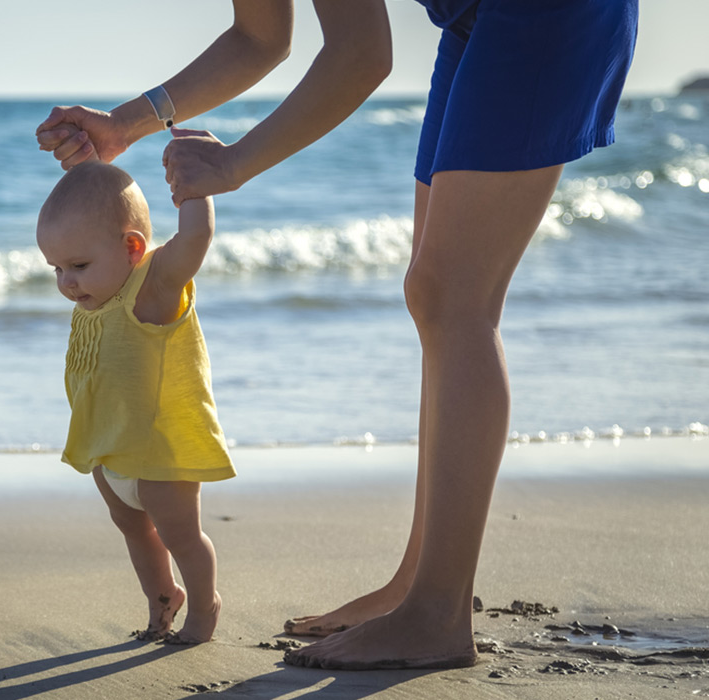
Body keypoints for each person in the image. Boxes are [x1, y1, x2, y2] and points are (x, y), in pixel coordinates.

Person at [36, 0, 637, 670]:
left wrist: (233, 165)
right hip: (473, 19)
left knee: (453, 298)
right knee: (435, 296)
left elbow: (361, 54)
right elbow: (260, 37)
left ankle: (437, 613)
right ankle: (417, 587)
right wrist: (124, 125)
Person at [36, 159, 235, 644]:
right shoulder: (95, 297)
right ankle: (162, 597)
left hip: (161, 453)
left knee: (180, 537)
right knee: (133, 530)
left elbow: (195, 239)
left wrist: (195, 187)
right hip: (109, 451)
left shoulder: (152, 289)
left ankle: (204, 606)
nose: (66, 282)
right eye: (57, 269)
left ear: (132, 248)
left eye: (78, 266)